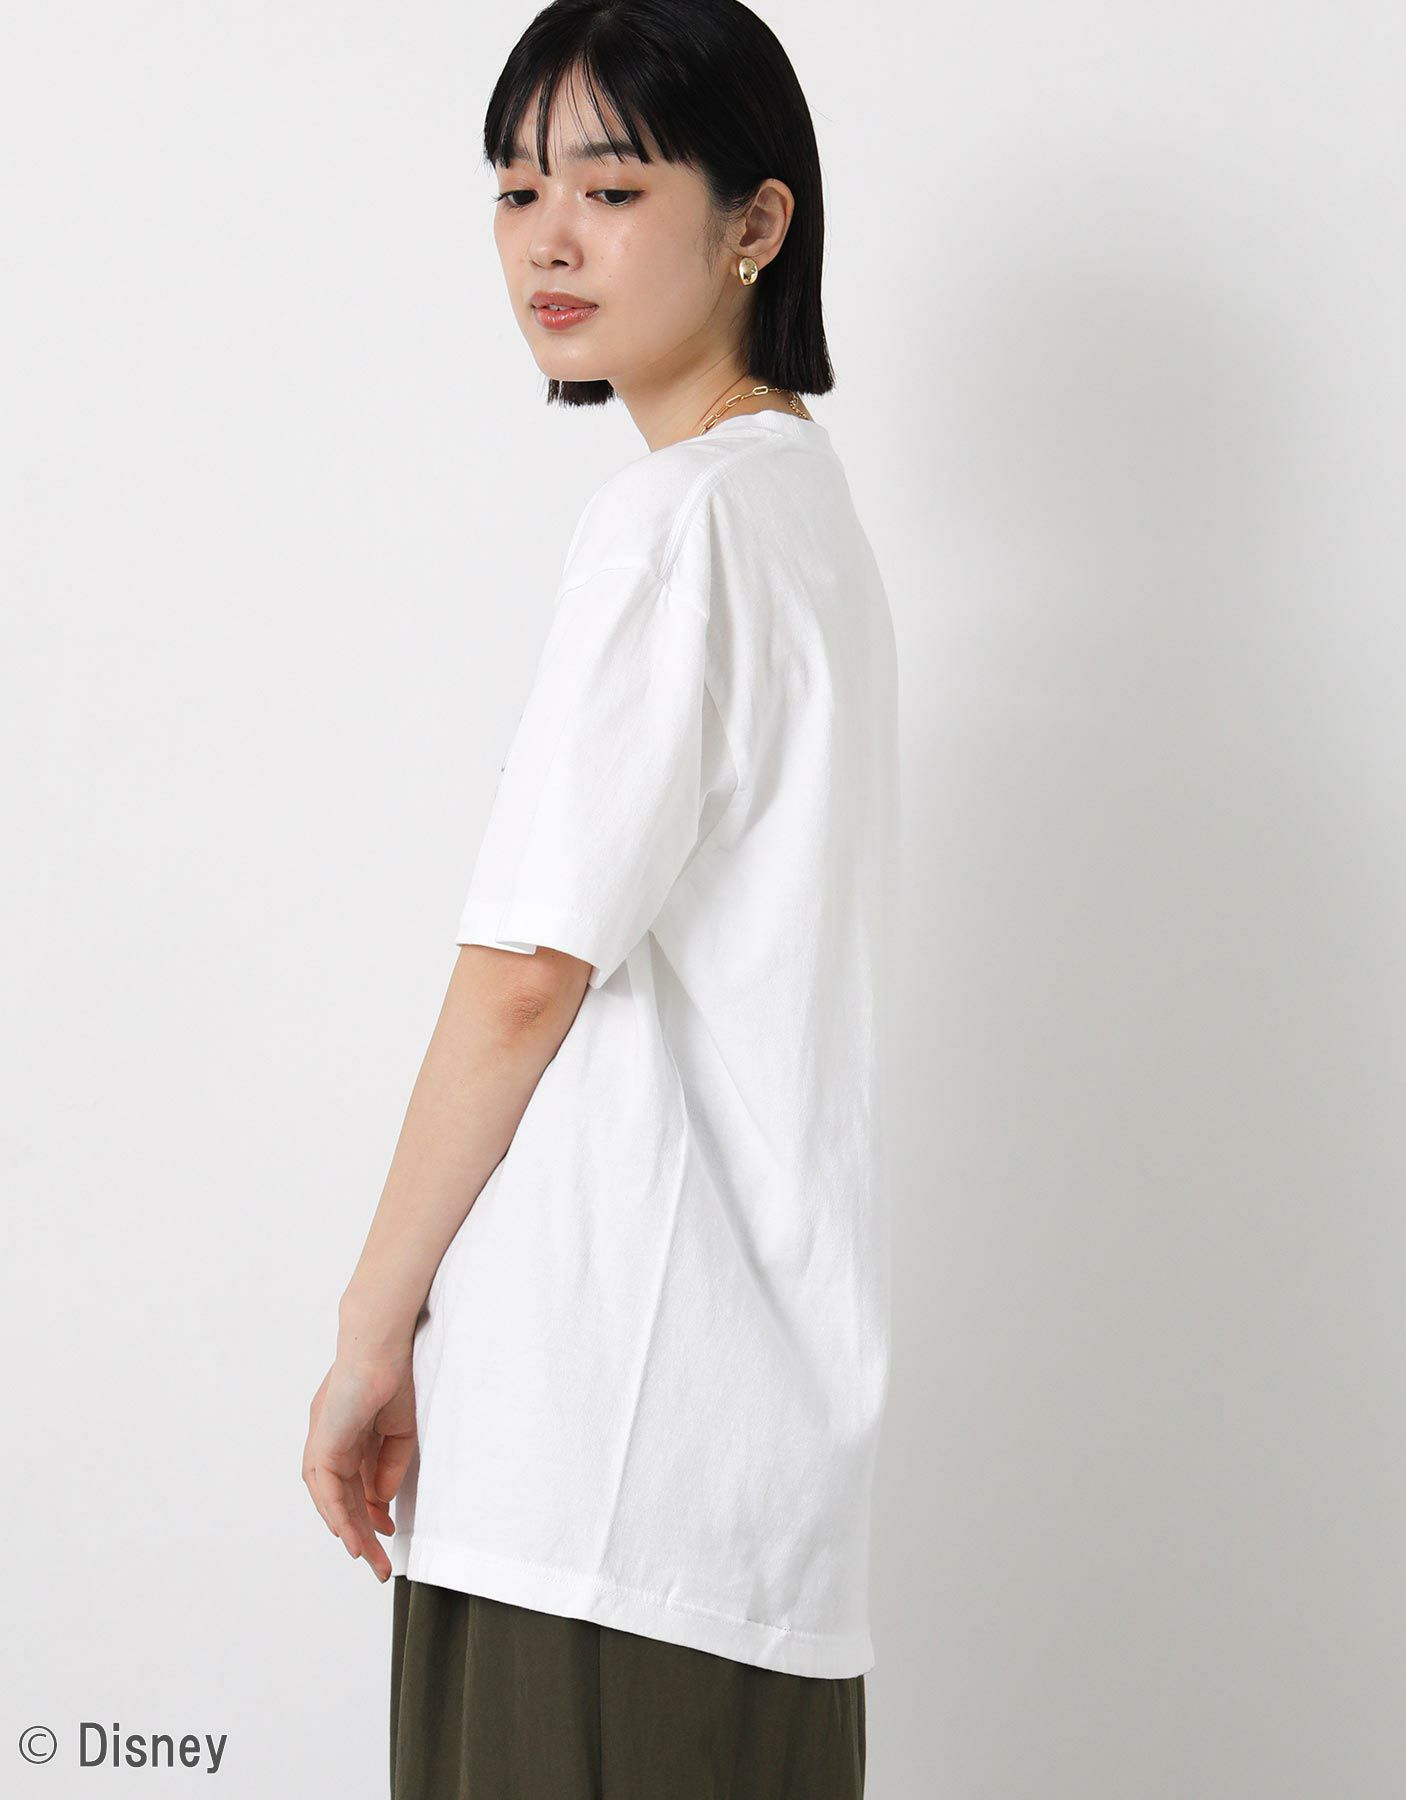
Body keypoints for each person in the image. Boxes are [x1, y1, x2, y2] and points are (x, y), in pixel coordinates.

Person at [300, 2, 899, 1793]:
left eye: (613, 189)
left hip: (595, 1470)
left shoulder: (677, 525)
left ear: (757, 222)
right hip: (751, 1483)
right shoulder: (805, 517)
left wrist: (370, 1331)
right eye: (516, 191)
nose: (548, 240)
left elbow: (523, 975)